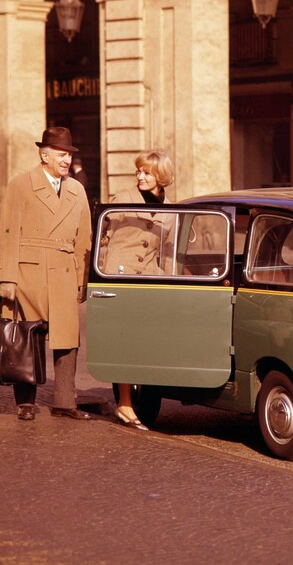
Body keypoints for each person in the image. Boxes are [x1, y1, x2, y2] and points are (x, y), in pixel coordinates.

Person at [0, 127, 92, 421]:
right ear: (45, 154)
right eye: (62, 154)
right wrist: (7, 277)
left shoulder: (77, 189)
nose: (67, 160)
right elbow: (8, 232)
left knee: (67, 340)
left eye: (69, 155)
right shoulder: (21, 184)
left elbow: (84, 239)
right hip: (29, 271)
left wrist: (82, 281)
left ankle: (65, 402)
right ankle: (25, 402)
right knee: (27, 338)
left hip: (64, 270)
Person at [103, 149, 175, 430]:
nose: (140, 176)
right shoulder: (122, 200)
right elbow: (105, 239)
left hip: (149, 281)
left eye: (146, 172)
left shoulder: (172, 208)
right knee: (126, 341)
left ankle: (140, 400)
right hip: (121, 279)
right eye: (138, 171)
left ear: (160, 176)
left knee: (147, 341)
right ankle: (124, 403)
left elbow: (167, 252)